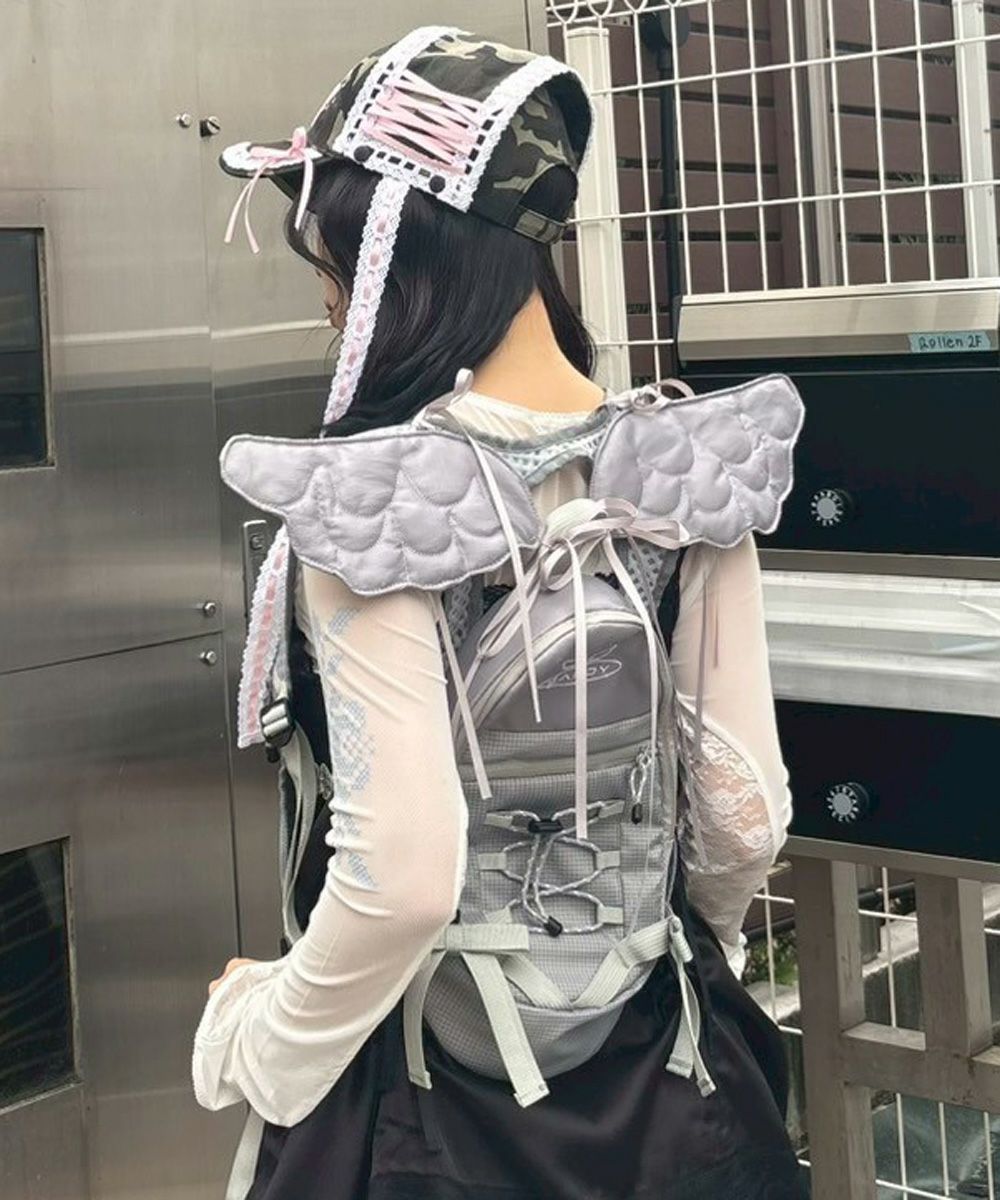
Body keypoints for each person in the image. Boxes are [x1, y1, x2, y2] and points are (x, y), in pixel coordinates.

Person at [193, 26, 807, 1200]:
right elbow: (742, 813)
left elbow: (404, 878)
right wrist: (662, 952)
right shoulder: (684, 466)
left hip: (418, 1097)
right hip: (657, 1075)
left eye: (333, 249)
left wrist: (258, 1035)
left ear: (397, 250)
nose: (327, 290)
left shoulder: (372, 498)